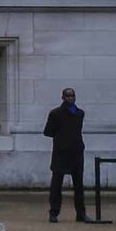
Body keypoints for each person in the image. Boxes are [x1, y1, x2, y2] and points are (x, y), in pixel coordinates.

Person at [44, 87, 90, 223]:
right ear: (63, 98)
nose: (70, 98)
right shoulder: (56, 114)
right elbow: (48, 131)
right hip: (61, 151)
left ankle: (81, 213)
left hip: (76, 151)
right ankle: (54, 212)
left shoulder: (80, 113)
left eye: (72, 96)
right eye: (68, 96)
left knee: (79, 184)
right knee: (57, 184)